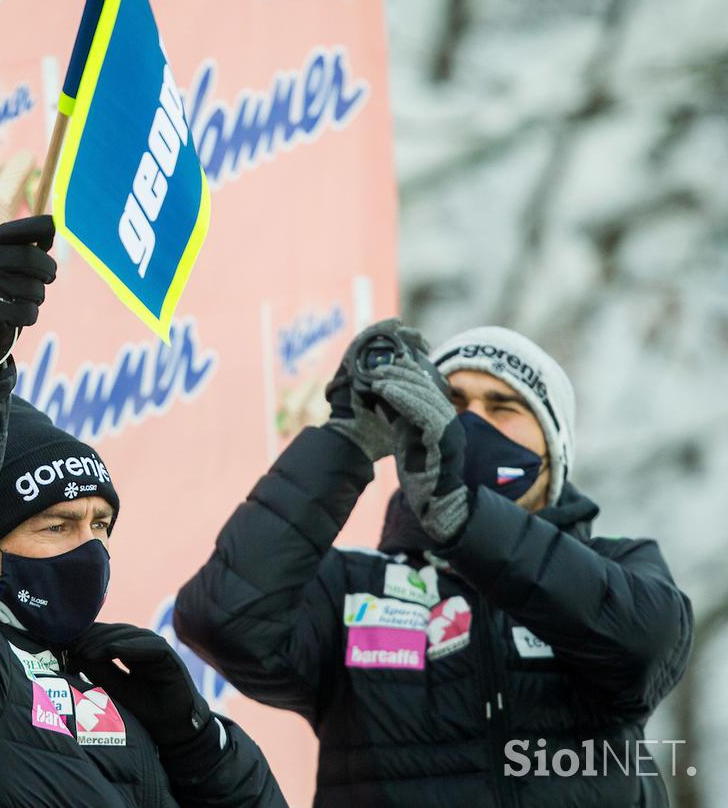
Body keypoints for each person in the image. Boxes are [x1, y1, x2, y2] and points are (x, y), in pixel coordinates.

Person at [0, 215, 286, 808]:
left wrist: (199, 740)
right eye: (57, 525)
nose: (89, 549)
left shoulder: (110, 690)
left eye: (100, 525)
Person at [174, 318, 694, 807]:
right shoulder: (353, 588)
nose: (472, 422)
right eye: (453, 402)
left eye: (502, 406)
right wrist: (347, 442)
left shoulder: (619, 564)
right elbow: (220, 621)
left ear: (554, 445)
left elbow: (648, 644)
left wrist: (465, 519)